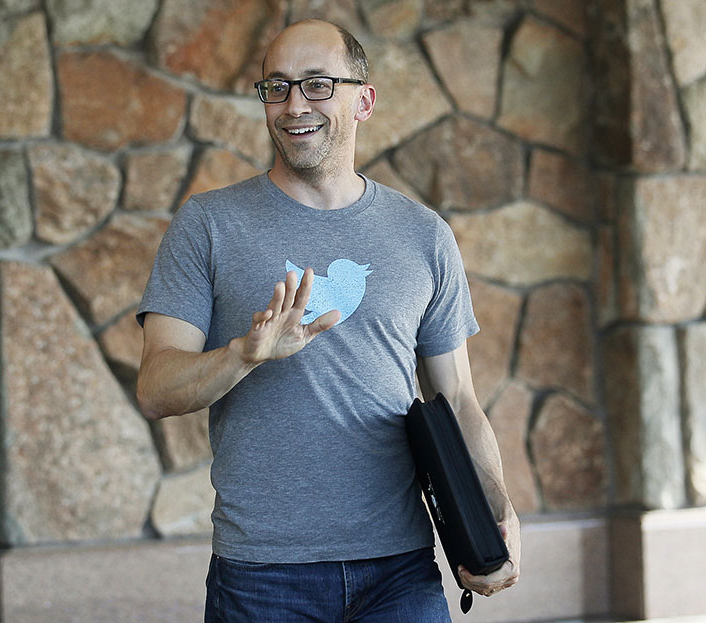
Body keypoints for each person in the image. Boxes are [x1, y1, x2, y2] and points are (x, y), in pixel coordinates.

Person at [136, 18, 520, 622]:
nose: (294, 106)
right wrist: (242, 354)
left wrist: (496, 511)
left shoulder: (423, 236)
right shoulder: (208, 225)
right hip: (263, 575)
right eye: (278, 87)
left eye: (317, 84)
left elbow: (458, 400)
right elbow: (156, 389)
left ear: (363, 100)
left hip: (402, 570)